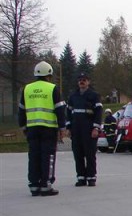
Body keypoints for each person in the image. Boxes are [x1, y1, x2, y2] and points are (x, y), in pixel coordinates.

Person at [18, 61, 66, 196]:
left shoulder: (27, 89)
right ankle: (46, 185)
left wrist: (23, 126)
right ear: (49, 75)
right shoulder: (52, 88)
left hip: (32, 128)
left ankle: (34, 185)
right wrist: (62, 128)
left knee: (33, 156)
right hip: (48, 129)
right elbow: (60, 110)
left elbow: (21, 110)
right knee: (48, 156)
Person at [66, 73, 102, 187]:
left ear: (88, 82)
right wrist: (68, 127)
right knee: (78, 154)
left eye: (84, 80)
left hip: (89, 130)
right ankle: (81, 177)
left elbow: (98, 113)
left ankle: (91, 177)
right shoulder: (73, 96)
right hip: (76, 130)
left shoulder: (94, 95)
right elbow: (68, 113)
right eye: (80, 80)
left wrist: (96, 128)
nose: (82, 82)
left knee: (90, 154)